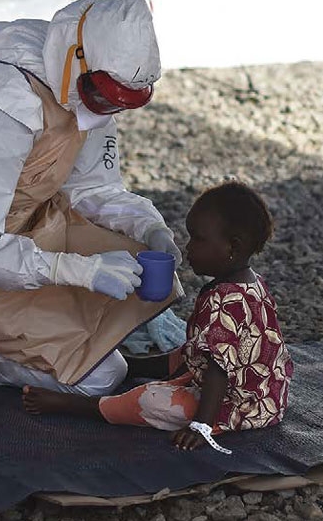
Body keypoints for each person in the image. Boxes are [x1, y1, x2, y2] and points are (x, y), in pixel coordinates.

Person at [0, 0, 184, 397]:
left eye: (119, 104)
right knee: (100, 377)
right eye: (104, 98)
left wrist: (151, 228)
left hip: (28, 228)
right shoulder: (0, 108)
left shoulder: (84, 89)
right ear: (78, 61)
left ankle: (52, 333)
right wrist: (80, 271)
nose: (107, 111)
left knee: (139, 262)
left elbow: (93, 189)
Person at [23, 181, 294, 452]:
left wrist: (201, 427)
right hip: (269, 395)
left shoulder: (222, 300)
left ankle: (75, 405)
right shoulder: (252, 283)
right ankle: (134, 366)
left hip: (240, 406)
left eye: (197, 239)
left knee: (151, 399)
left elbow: (218, 370)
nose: (188, 248)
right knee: (191, 351)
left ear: (232, 246)